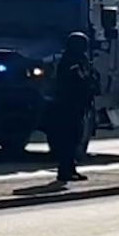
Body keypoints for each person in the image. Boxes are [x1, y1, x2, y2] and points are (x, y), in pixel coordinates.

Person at [49, 31, 97, 187]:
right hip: (68, 106)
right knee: (68, 140)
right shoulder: (70, 61)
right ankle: (64, 170)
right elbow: (77, 81)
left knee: (76, 138)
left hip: (78, 106)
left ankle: (71, 169)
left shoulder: (80, 60)